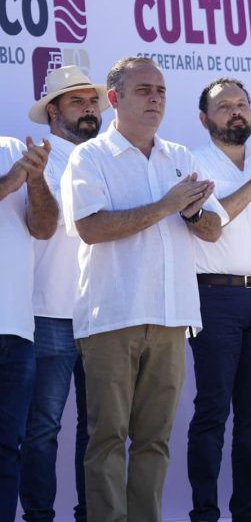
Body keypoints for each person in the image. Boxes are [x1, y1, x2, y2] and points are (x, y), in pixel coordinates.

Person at [61, 56, 228, 522]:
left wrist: (193, 213)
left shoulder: (180, 156)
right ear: (114, 99)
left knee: (155, 440)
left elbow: (213, 229)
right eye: (143, 90)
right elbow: (91, 227)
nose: (155, 98)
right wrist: (166, 205)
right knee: (107, 438)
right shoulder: (89, 156)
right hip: (113, 316)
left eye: (161, 90)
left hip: (173, 317)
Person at [187, 77, 251, 522]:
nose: (236, 111)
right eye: (224, 106)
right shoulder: (191, 164)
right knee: (212, 413)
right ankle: (204, 513)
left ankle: (249, 512)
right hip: (215, 299)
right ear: (206, 119)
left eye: (242, 103)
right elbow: (207, 227)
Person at [19, 65, 107, 522]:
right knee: (42, 430)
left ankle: (91, 514)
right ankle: (38, 516)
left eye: (93, 102)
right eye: (77, 102)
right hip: (48, 314)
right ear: (53, 111)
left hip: (101, 315)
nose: (89, 110)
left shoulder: (110, 160)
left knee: (100, 432)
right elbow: (43, 227)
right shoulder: (37, 159)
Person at [0, 134, 57, 522]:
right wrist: (9, 182)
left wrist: (35, 179)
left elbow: (44, 228)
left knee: (7, 449)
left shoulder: (12, 147)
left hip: (16, 329)